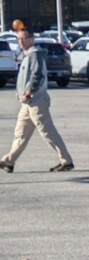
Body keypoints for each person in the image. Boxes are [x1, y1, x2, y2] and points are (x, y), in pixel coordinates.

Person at [0, 25, 74, 173]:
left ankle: (66, 160)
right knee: (20, 133)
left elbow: (37, 75)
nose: (20, 41)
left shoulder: (35, 54)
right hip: (27, 103)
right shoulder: (28, 54)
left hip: (36, 101)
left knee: (47, 132)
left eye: (23, 38)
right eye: (19, 39)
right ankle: (9, 161)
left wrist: (29, 91)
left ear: (31, 39)